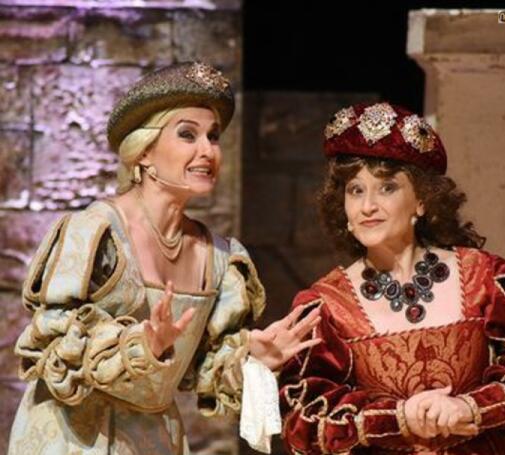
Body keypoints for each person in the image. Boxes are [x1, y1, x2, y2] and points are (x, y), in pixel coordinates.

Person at [8, 61, 321, 454]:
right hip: (73, 437)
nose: (207, 151)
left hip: (153, 439)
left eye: (213, 136)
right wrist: (142, 344)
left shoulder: (219, 258)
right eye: (187, 134)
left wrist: (251, 358)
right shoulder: (96, 233)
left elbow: (207, 369)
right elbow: (56, 342)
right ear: (144, 152)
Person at [278, 102, 505, 454]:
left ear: (421, 200)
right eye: (355, 190)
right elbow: (302, 418)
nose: (367, 206)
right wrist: (398, 418)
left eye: (387, 188)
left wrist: (473, 407)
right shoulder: (327, 306)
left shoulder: (485, 278)